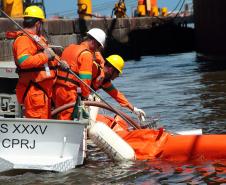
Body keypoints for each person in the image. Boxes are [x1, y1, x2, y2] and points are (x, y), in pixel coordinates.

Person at [11, 5, 57, 119]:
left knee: (46, 126)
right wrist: (45, 56)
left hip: (42, 92)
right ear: (38, 24)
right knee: (39, 129)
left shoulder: (36, 39)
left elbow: (45, 56)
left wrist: (59, 61)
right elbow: (24, 61)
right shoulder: (24, 39)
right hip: (35, 92)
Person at [52, 28, 106, 120]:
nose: (97, 49)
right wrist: (86, 96)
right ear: (93, 42)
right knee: (66, 120)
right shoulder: (86, 54)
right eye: (97, 46)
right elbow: (85, 80)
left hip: (57, 89)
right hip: (69, 91)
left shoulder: (69, 47)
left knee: (58, 115)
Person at [91, 54, 146, 119]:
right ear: (111, 70)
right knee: (95, 99)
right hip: (77, 96)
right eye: (118, 73)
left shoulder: (105, 81)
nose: (118, 76)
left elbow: (117, 95)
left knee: (95, 99)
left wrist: (134, 109)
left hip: (82, 97)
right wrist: (86, 94)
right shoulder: (94, 68)